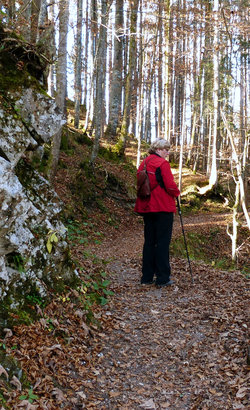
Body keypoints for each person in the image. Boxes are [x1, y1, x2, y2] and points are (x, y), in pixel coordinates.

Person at [134, 138, 180, 287]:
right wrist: (177, 193)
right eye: (165, 149)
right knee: (162, 243)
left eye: (168, 149)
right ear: (158, 149)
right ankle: (162, 278)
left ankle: (146, 277)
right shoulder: (162, 164)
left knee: (149, 242)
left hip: (147, 207)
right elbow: (170, 185)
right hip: (162, 206)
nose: (167, 152)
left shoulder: (144, 162)